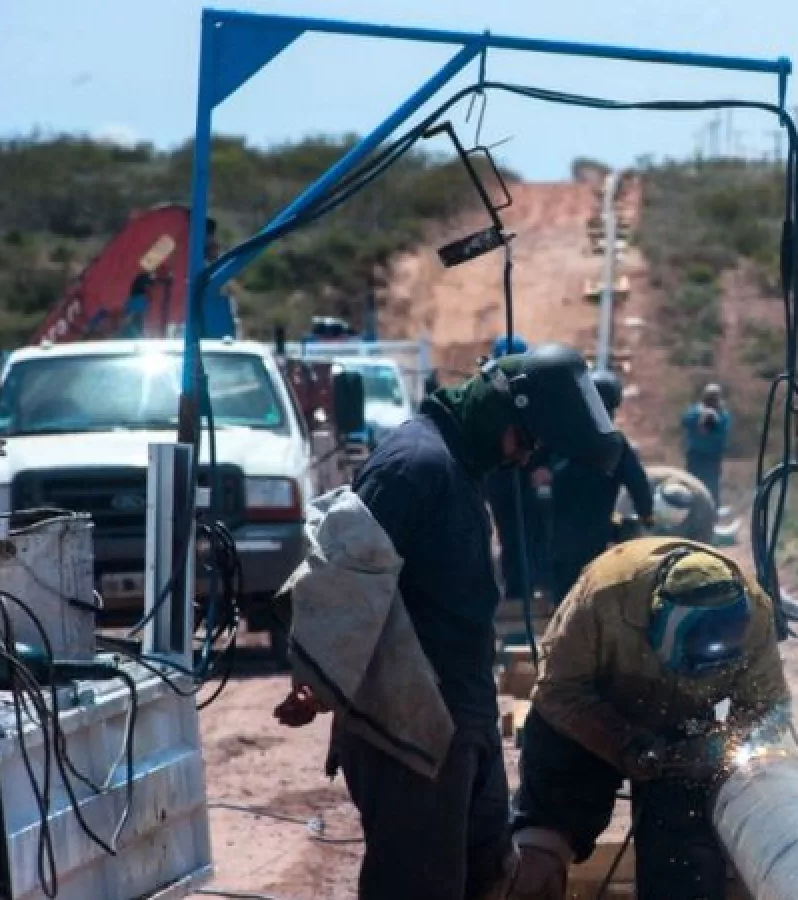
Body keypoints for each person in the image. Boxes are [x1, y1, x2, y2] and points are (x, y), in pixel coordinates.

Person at [273, 344, 623, 900]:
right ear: (499, 410)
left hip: (461, 717)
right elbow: (343, 577)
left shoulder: (457, 467)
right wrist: (319, 682)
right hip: (410, 727)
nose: (523, 458)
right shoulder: (417, 466)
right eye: (525, 440)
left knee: (486, 875)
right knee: (418, 886)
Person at [505, 538, 792, 900]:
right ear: (660, 622)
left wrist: (713, 750)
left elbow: (768, 708)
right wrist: (624, 743)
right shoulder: (602, 599)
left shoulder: (757, 618)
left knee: (682, 858)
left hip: (680, 724)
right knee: (542, 845)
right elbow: (558, 692)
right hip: (584, 713)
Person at [544, 369, 656, 605]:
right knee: (589, 582)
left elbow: (531, 468)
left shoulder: (560, 435)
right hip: (595, 528)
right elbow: (637, 481)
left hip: (557, 527)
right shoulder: (614, 442)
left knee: (562, 581)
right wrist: (646, 514)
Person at [482, 335, 542, 608]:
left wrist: (541, 465)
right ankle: (517, 589)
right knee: (509, 532)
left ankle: (529, 586)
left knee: (530, 531)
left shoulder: (536, 391)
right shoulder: (489, 393)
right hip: (500, 473)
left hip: (528, 473)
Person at [680, 383, 730, 508]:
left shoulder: (722, 415)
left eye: (714, 398)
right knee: (692, 483)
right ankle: (691, 508)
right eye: (709, 397)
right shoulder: (695, 411)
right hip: (696, 454)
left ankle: (712, 510)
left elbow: (722, 433)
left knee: (712, 486)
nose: (711, 401)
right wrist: (700, 417)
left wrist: (713, 421)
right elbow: (685, 421)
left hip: (712, 456)